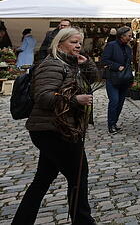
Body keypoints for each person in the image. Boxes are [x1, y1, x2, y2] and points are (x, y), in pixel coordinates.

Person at [12, 27, 98, 225]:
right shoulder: (52, 65)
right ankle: (83, 221)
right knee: (78, 174)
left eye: (80, 43)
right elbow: (44, 97)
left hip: (61, 128)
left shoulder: (71, 64)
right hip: (54, 130)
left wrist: (86, 64)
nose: (78, 46)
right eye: (73, 42)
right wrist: (75, 100)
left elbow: (94, 79)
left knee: (43, 179)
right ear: (59, 44)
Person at [102, 26, 133, 134]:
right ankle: (111, 124)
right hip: (113, 78)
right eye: (129, 35)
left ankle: (114, 122)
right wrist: (116, 66)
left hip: (124, 79)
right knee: (114, 101)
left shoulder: (128, 48)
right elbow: (104, 60)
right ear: (122, 35)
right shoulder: (111, 46)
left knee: (120, 102)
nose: (130, 37)